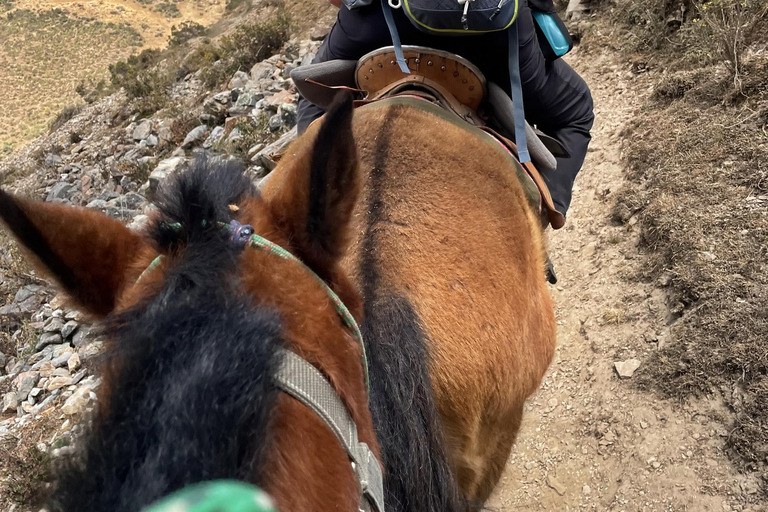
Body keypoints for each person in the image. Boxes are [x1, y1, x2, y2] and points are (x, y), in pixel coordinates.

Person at [296, 0, 594, 219]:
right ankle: (541, 214)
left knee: (313, 89)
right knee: (576, 111)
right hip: (492, 32)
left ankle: (312, 199)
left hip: (381, 22)